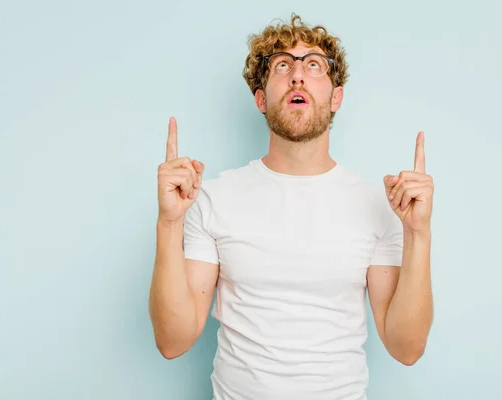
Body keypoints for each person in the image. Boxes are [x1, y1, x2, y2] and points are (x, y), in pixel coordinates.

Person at [149, 14, 434, 400]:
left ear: (336, 96)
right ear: (261, 98)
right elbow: (173, 341)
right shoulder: (213, 198)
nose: (298, 75)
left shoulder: (378, 204)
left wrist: (417, 233)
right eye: (282, 65)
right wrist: (169, 223)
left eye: (314, 64)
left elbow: (407, 348)